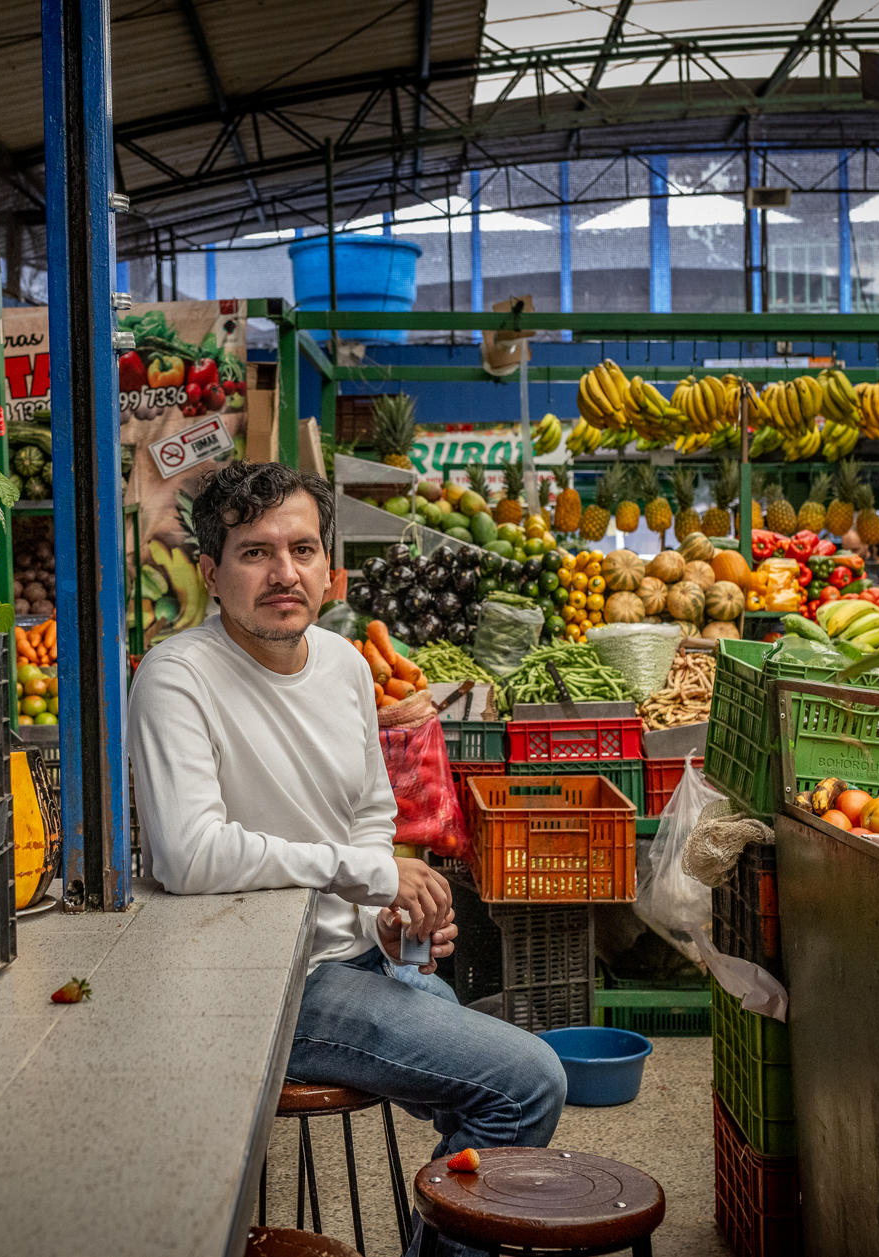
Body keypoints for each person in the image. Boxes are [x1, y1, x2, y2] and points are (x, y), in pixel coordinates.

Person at [129, 462, 567, 1256]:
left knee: (502, 1082)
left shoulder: (343, 664)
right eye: (256, 552)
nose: (284, 572)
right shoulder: (176, 677)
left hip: (361, 958)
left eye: (302, 549)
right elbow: (190, 852)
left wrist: (387, 917)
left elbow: (369, 812)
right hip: (265, 984)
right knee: (528, 1079)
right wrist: (374, 874)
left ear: (328, 566)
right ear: (211, 572)